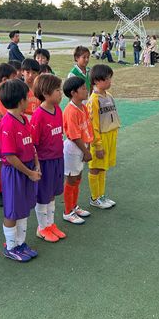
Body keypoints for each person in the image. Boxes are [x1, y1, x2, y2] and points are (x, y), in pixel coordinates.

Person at [0, 79, 41, 262]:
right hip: (15, 173)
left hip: (28, 169)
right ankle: (11, 245)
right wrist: (30, 173)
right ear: (20, 100)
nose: (30, 99)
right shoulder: (7, 124)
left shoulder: (24, 119)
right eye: (27, 96)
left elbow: (30, 145)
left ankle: (20, 243)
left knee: (23, 207)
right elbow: (10, 157)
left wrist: (36, 163)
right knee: (12, 211)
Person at [30, 74, 66, 243]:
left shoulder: (58, 109)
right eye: (57, 90)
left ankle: (50, 224)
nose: (61, 93)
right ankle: (42, 227)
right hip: (44, 161)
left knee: (52, 194)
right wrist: (36, 165)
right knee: (43, 195)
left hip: (58, 158)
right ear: (45, 93)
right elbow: (33, 144)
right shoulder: (38, 115)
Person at [87, 65, 120, 210]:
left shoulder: (109, 95)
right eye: (106, 79)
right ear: (96, 81)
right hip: (100, 139)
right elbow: (93, 125)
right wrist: (97, 145)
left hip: (111, 136)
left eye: (109, 78)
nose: (109, 82)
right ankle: (95, 197)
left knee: (103, 167)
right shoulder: (93, 100)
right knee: (95, 167)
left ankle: (101, 195)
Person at [61, 76, 93, 225]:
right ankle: (68, 211)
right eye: (83, 89)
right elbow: (73, 135)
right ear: (73, 93)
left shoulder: (83, 107)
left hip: (82, 146)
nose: (86, 91)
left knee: (78, 177)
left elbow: (87, 127)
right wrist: (85, 151)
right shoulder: (70, 110)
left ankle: (74, 206)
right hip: (74, 149)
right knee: (71, 179)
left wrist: (89, 146)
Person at [0, 63, 19, 206]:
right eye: (14, 78)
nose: (16, 80)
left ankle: (3, 188)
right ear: (5, 79)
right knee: (0, 162)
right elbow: (9, 113)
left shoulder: (2, 92)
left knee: (6, 161)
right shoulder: (0, 94)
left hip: (5, 128)